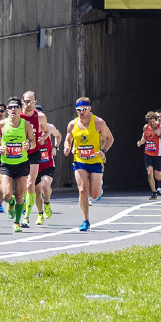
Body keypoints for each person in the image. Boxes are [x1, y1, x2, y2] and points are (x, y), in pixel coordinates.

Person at [63, 96, 114, 232]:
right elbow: (68, 139)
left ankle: (99, 189)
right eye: (79, 110)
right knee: (82, 190)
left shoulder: (98, 122)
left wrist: (103, 150)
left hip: (96, 161)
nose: (81, 112)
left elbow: (110, 138)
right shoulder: (72, 124)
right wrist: (67, 147)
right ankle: (86, 221)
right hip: (80, 161)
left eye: (84, 109)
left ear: (90, 108)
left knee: (94, 195)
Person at [0, 97, 36, 232]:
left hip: (22, 163)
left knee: (19, 194)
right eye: (10, 107)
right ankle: (10, 204)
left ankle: (17, 222)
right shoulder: (2, 124)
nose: (13, 110)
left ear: (20, 109)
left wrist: (28, 145)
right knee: (6, 194)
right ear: (7, 111)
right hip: (7, 163)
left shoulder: (26, 125)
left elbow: (33, 142)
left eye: (15, 107)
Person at [19, 91, 48, 228]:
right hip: (19, 153)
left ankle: (27, 217)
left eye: (31, 102)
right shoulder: (17, 116)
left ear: (35, 102)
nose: (28, 104)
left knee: (30, 185)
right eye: (26, 101)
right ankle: (38, 210)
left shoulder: (40, 117)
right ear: (22, 101)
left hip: (34, 152)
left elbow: (46, 131)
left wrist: (43, 137)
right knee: (27, 187)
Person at [32, 109, 62, 225]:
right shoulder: (28, 128)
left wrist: (56, 147)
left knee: (45, 186)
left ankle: (47, 202)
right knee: (37, 192)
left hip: (47, 163)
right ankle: (40, 214)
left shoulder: (49, 127)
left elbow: (58, 135)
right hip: (34, 163)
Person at [137, 111, 161, 200]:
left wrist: (160, 135)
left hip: (157, 154)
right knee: (149, 172)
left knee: (156, 174)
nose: (152, 124)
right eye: (150, 122)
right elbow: (144, 138)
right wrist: (140, 143)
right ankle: (154, 193)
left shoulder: (160, 128)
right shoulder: (145, 127)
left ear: (156, 120)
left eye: (154, 122)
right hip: (148, 153)